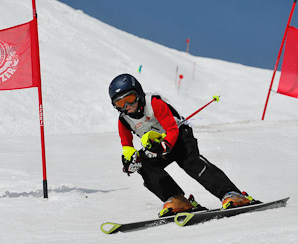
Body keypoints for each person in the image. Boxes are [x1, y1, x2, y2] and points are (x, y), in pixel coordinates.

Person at [108, 73, 252, 217]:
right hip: (157, 145)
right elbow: (127, 145)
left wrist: (165, 145)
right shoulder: (124, 120)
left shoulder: (153, 103)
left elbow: (172, 129)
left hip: (179, 136)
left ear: (138, 93)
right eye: (120, 104)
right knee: (144, 165)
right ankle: (176, 200)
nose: (128, 107)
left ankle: (232, 194)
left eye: (130, 99)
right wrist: (129, 160)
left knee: (191, 163)